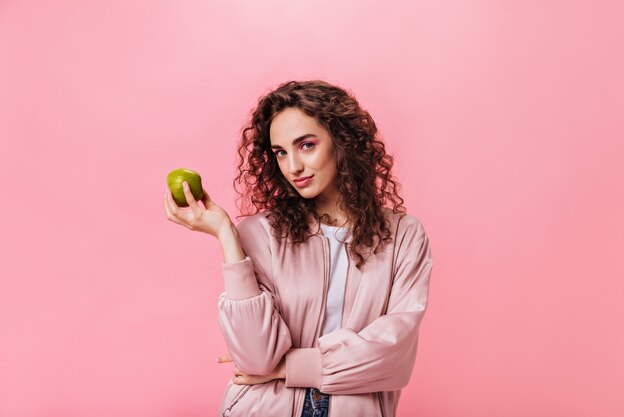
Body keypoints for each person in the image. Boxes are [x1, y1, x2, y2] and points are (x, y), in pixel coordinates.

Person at [163, 80, 433, 417]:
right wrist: (227, 236)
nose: (293, 167)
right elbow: (256, 358)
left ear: (342, 143)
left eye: (306, 145)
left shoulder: (404, 236)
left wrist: (289, 366)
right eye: (280, 152)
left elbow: (394, 354)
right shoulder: (261, 233)